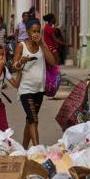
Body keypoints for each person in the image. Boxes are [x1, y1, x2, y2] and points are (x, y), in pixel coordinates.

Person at [13, 19, 56, 148]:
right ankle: (38, 149)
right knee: (33, 120)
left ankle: (24, 149)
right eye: (33, 31)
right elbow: (13, 67)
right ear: (27, 32)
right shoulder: (21, 46)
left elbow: (52, 62)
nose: (36, 34)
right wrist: (21, 62)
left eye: (38, 31)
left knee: (30, 120)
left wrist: (42, 44)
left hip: (39, 89)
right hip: (25, 89)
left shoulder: (42, 45)